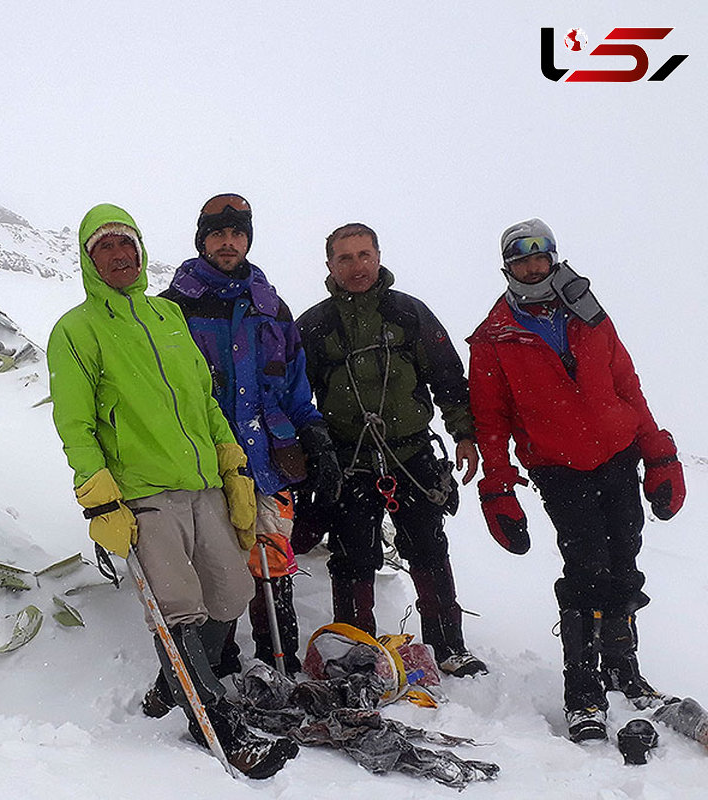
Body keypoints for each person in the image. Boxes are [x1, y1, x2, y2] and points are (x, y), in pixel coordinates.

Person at [46, 203, 298, 778]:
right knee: (178, 608)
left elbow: (203, 398)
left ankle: (170, 687)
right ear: (90, 259)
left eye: (125, 244)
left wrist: (232, 461)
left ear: (140, 251)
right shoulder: (76, 331)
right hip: (143, 493)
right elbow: (75, 424)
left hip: (205, 484)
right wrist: (99, 494)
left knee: (232, 592)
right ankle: (217, 724)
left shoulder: (167, 315)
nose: (117, 255)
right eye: (104, 247)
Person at [467, 218, 685, 741]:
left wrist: (658, 452)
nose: (532, 267)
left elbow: (626, 382)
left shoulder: (588, 312)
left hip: (617, 453)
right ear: (508, 267)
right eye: (521, 260)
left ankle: (623, 668)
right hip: (558, 467)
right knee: (586, 568)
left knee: (624, 561)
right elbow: (490, 419)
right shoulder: (494, 337)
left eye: (540, 258)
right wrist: (497, 486)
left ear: (554, 258)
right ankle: (583, 692)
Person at [159, 193, 341, 682]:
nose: (228, 242)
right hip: (207, 465)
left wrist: (315, 433)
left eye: (237, 233)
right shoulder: (174, 309)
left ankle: (277, 662)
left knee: (274, 564)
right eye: (217, 234)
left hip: (271, 460)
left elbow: (296, 388)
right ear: (202, 241)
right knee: (217, 569)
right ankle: (217, 666)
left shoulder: (272, 308)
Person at [295, 222, 487, 677]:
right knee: (351, 556)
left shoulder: (409, 314)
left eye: (364, 255)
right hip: (347, 459)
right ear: (330, 265)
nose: (356, 266)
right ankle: (357, 650)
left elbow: (447, 378)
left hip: (412, 454)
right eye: (345, 258)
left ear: (379, 257)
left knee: (428, 548)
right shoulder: (315, 325)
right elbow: (294, 396)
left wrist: (464, 433)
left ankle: (449, 646)